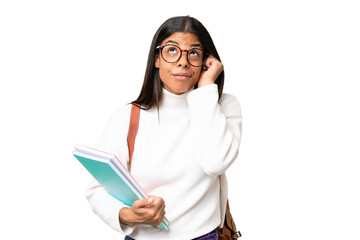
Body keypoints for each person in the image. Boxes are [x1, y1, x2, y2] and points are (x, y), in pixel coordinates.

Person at [85, 16, 242, 240]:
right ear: (156, 59)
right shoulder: (127, 117)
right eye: (171, 51)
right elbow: (96, 189)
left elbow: (215, 163)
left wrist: (206, 87)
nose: (183, 62)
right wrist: (128, 215)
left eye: (194, 53)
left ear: (206, 62)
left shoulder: (221, 106)